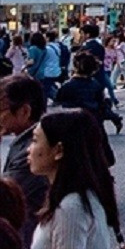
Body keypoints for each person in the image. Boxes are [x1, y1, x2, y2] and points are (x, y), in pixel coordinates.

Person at [27, 109, 125, 249]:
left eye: (35, 140)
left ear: (58, 150)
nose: (29, 149)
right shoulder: (76, 198)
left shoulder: (70, 208)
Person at [0, 74, 48, 245]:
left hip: (28, 236)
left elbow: (6, 198)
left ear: (24, 111)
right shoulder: (29, 140)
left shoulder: (34, 150)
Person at [55, 52, 123, 135]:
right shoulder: (96, 85)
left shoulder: (67, 86)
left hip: (72, 120)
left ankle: (115, 118)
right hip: (93, 119)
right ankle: (115, 118)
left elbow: (58, 102)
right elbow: (101, 104)